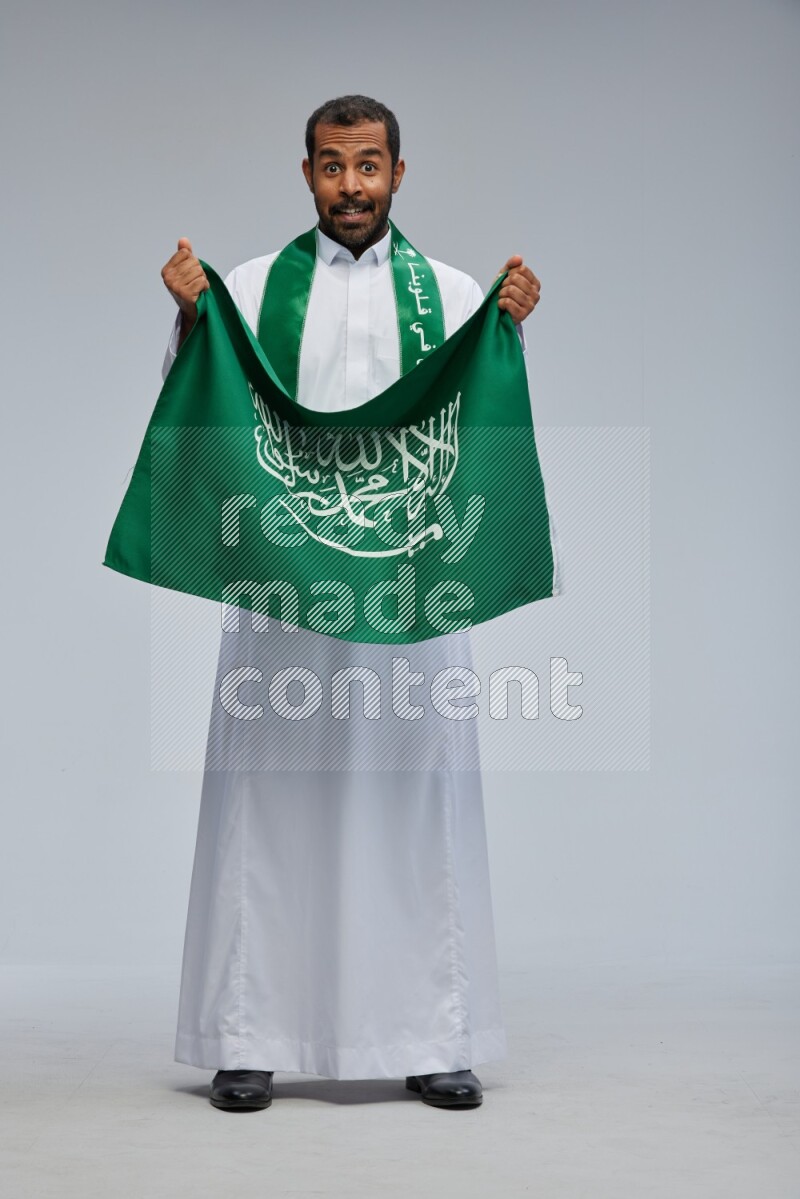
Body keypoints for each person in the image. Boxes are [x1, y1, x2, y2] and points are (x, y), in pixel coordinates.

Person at [159, 95, 542, 1113]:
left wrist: (502, 336)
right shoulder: (249, 285)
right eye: (331, 166)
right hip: (290, 591)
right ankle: (251, 1032)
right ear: (307, 173)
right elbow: (207, 408)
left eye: (368, 165)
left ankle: (431, 1032)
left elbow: (476, 418)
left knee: (413, 800)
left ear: (398, 174)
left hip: (413, 588)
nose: (351, 186)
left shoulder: (451, 289)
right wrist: (195, 322)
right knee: (272, 798)